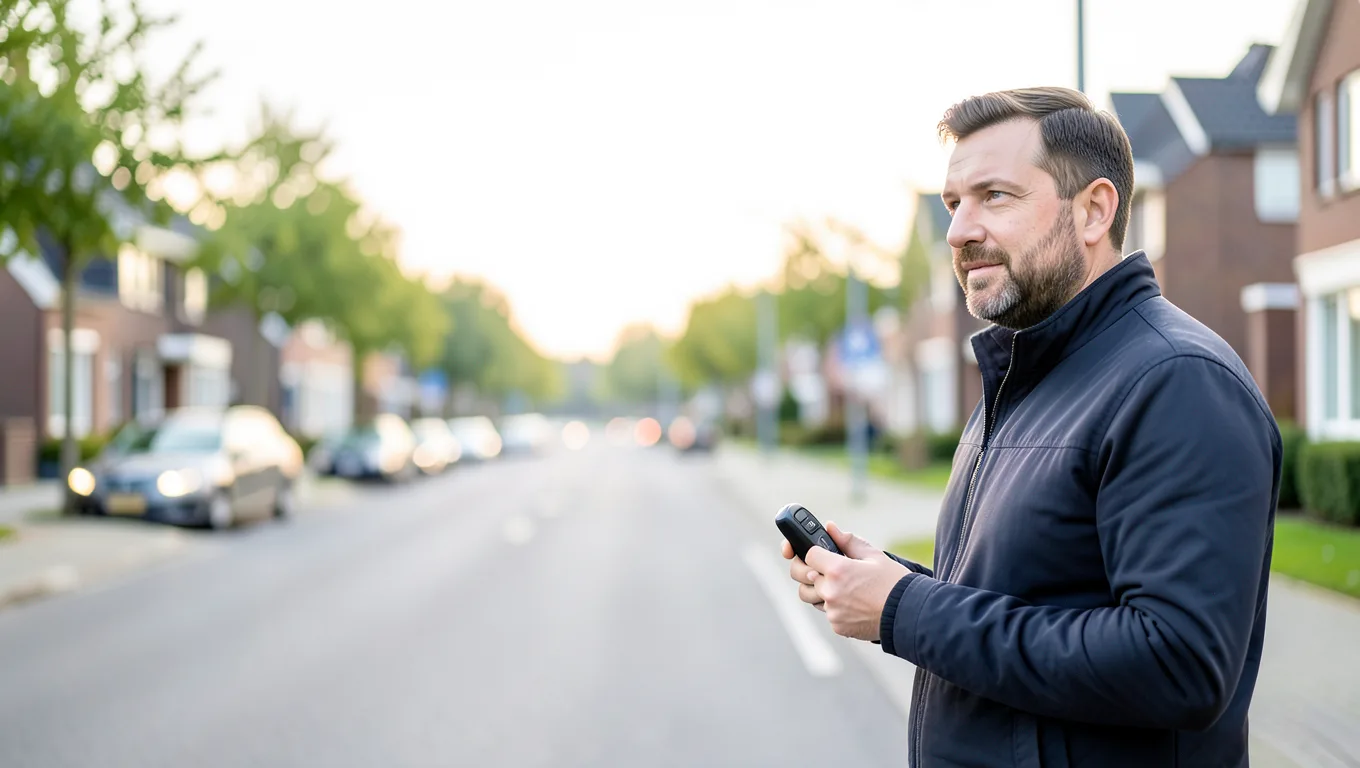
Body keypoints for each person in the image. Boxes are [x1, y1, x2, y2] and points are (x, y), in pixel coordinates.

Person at [784, 87, 1280, 768]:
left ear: (1094, 211)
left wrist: (904, 609)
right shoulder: (1023, 379)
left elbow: (1177, 663)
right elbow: (1029, 598)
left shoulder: (1177, 381)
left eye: (995, 196)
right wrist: (890, 582)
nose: (958, 231)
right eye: (954, 203)